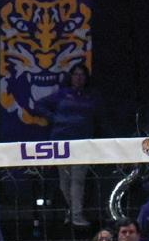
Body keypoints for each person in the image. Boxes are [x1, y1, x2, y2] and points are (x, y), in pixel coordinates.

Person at [36, 62, 101, 226]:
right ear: (71, 77)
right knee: (64, 181)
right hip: (62, 142)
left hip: (82, 143)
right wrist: (54, 119)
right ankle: (71, 212)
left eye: (82, 75)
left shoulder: (91, 97)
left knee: (78, 180)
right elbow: (39, 105)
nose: (79, 78)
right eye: (76, 74)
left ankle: (77, 216)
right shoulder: (62, 94)